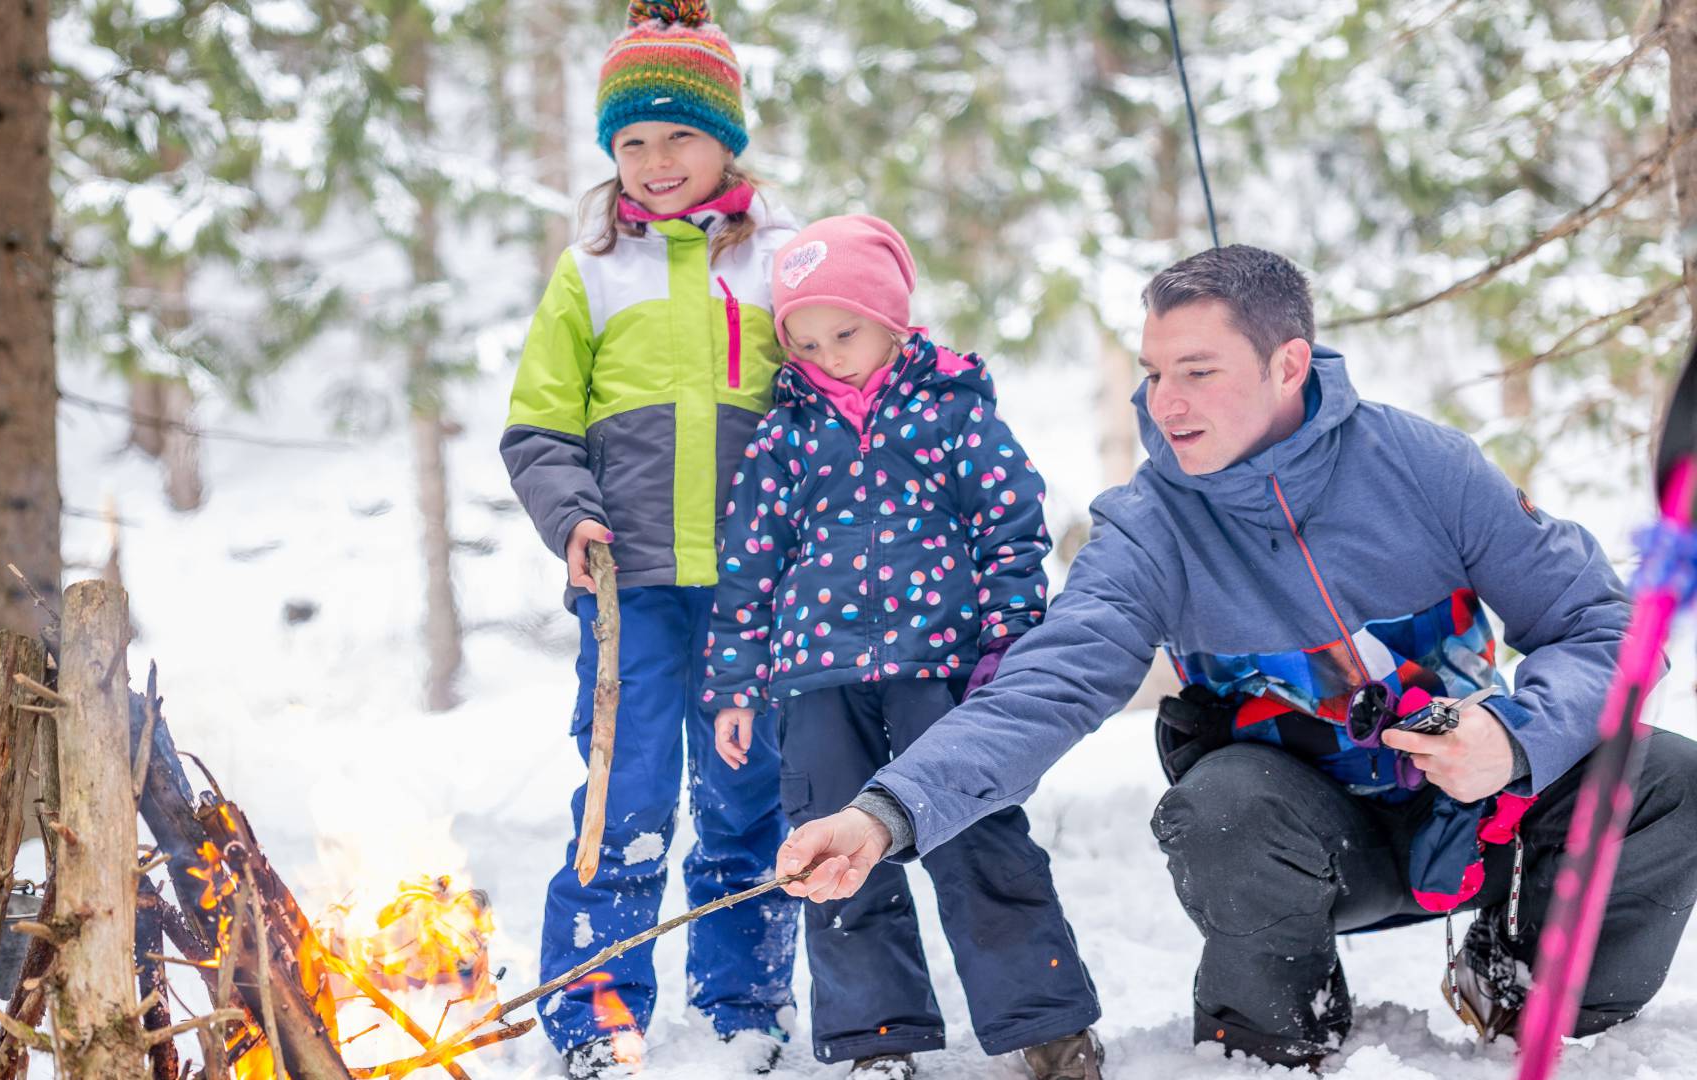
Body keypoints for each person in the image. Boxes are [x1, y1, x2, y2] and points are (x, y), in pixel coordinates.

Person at [771, 244, 1697, 1069]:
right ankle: (1273, 1032)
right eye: (1153, 372)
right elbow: (1044, 688)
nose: (1164, 403)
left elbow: (1601, 625)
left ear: (1287, 363)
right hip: (1300, 834)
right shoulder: (1148, 528)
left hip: (1475, 808)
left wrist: (1513, 733)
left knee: (1666, 776)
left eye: (1199, 371)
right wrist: (886, 813)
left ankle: (1528, 986)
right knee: (1219, 808)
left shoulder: (1427, 468)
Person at [702, 215, 1105, 1080]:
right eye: (806, 341)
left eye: (845, 332)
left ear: (892, 318)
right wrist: (736, 683)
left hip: (941, 666)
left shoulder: (954, 413)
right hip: (817, 679)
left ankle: (1046, 1023)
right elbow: (748, 567)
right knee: (831, 856)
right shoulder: (785, 436)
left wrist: (1008, 639)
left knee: (980, 837)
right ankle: (877, 1040)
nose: (829, 354)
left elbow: (1011, 529)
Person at [499, 1, 799, 1074]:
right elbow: (538, 425)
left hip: (757, 594)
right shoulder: (591, 271)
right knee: (621, 800)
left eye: (678, 135)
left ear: (727, 138)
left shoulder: (781, 263)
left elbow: (826, 399)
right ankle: (595, 1017)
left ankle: (746, 1005)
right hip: (630, 590)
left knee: (746, 795)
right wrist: (571, 513)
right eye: (631, 142)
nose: (655, 161)